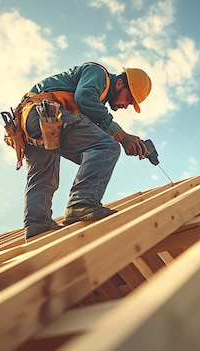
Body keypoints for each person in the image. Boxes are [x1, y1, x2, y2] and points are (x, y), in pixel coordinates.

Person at [15, 62, 152, 239]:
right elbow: (85, 97)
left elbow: (89, 138)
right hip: (43, 113)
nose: (126, 105)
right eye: (128, 99)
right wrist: (122, 137)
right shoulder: (98, 73)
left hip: (30, 122)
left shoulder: (95, 97)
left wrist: (120, 138)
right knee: (107, 146)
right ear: (119, 84)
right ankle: (81, 203)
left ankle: (37, 225)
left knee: (43, 176)